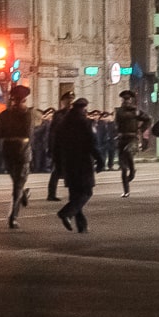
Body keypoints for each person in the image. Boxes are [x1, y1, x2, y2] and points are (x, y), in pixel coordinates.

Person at [0, 84, 35, 229]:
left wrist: (5, 131)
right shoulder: (11, 115)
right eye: (18, 101)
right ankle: (23, 195)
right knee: (17, 184)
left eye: (20, 101)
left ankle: (13, 217)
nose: (19, 104)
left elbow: (27, 132)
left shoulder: (23, 115)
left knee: (17, 185)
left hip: (18, 151)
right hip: (14, 152)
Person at [51, 94, 99, 233]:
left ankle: (81, 225)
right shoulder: (86, 123)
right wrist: (100, 160)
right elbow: (92, 144)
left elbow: (56, 145)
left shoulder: (63, 124)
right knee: (87, 192)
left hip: (68, 163)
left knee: (75, 194)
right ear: (83, 109)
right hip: (83, 163)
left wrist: (58, 163)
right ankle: (66, 213)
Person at [111, 91, 146, 196]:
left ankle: (132, 170)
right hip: (122, 139)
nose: (126, 102)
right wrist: (115, 134)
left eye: (128, 100)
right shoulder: (119, 111)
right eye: (124, 100)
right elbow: (115, 124)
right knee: (123, 167)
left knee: (128, 152)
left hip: (132, 138)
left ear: (131, 100)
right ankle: (126, 190)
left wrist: (141, 129)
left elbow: (148, 119)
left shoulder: (136, 111)